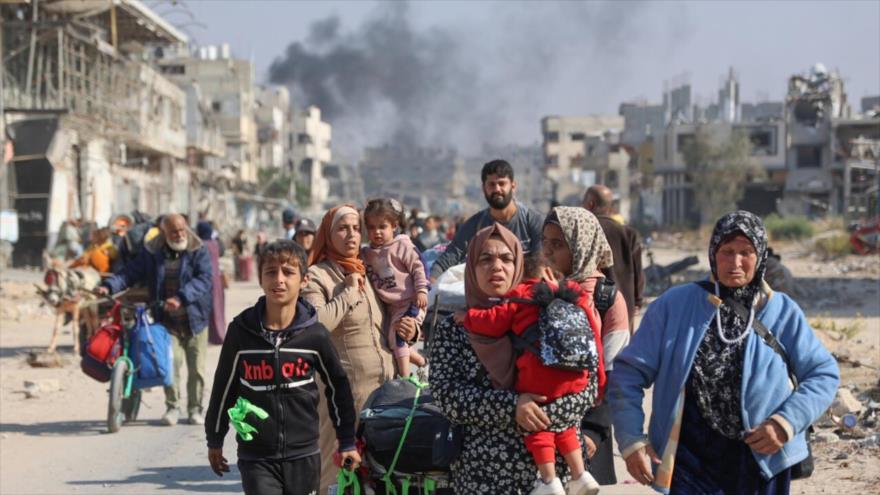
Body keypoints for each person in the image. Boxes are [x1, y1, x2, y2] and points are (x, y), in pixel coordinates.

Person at [608, 211, 840, 494]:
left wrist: (785, 423)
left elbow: (823, 374)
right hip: (689, 460)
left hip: (761, 460)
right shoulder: (674, 305)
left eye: (746, 252)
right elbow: (628, 373)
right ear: (712, 252)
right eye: (727, 251)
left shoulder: (782, 312)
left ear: (762, 256)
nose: (735, 262)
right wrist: (631, 439)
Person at [430, 223, 596, 494]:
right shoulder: (456, 327)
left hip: (557, 479)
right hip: (484, 477)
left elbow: (587, 385)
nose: (497, 266)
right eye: (485, 259)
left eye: (506, 258)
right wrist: (512, 406)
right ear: (471, 267)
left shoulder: (554, 313)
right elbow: (446, 395)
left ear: (519, 264)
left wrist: (544, 413)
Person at [205, 240, 360, 494]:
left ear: (303, 280)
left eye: (288, 272)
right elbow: (224, 388)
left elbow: (338, 387)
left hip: (304, 455)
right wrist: (215, 437)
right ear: (261, 279)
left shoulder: (314, 335)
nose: (279, 280)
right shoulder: (241, 332)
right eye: (271, 272)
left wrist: (346, 441)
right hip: (256, 456)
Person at [301, 204, 417, 492]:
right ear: (328, 234)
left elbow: (391, 316)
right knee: (335, 474)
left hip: (383, 394)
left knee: (379, 476)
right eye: (342, 228)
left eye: (356, 228)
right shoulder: (317, 276)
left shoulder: (370, 270)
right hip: (343, 399)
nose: (351, 234)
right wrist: (350, 291)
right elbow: (317, 324)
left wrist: (411, 331)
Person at [542, 206, 630, 486]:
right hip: (541, 426)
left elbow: (617, 371)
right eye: (545, 243)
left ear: (581, 244)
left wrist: (594, 429)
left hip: (587, 428)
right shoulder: (538, 289)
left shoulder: (607, 299)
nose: (548, 252)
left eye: (557, 244)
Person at [98, 213, 213, 426]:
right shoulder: (152, 252)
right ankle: (173, 407)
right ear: (164, 232)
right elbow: (130, 273)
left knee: (196, 368)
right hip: (167, 320)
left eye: (182, 230)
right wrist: (109, 286)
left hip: (195, 318)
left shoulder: (198, 249)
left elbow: (204, 279)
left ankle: (195, 409)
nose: (179, 235)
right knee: (172, 365)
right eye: (174, 232)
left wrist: (181, 297)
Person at [429, 159, 544, 282]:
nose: (497, 189)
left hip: (524, 291)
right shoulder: (475, 225)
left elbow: (541, 264)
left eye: (502, 183)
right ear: (484, 188)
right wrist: (432, 286)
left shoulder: (531, 221)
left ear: (513, 186)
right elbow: (446, 260)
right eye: (491, 184)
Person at [361, 198, 429, 378]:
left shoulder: (402, 246)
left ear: (394, 226)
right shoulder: (367, 254)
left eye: (382, 227)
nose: (377, 232)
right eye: (372, 228)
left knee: (399, 336)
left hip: (410, 302)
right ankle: (421, 361)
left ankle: (405, 379)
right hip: (392, 307)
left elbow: (419, 267)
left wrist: (422, 290)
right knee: (391, 341)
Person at [583, 185, 644, 331]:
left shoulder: (584, 232)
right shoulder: (629, 233)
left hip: (591, 308)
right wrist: (637, 300)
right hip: (624, 307)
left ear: (590, 204)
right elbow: (638, 273)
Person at [197, 221, 227, 345]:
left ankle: (213, 336)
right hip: (217, 280)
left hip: (207, 279)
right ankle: (220, 334)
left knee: (210, 309)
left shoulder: (202, 245)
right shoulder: (214, 243)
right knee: (218, 307)